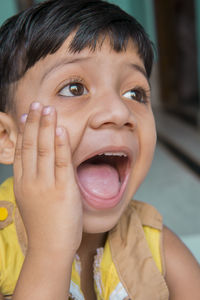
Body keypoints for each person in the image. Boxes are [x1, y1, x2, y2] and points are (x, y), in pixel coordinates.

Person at [0, 0, 199, 299]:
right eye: (74, 88)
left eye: (135, 93)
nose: (119, 112)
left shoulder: (156, 244)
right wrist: (50, 249)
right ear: (6, 137)